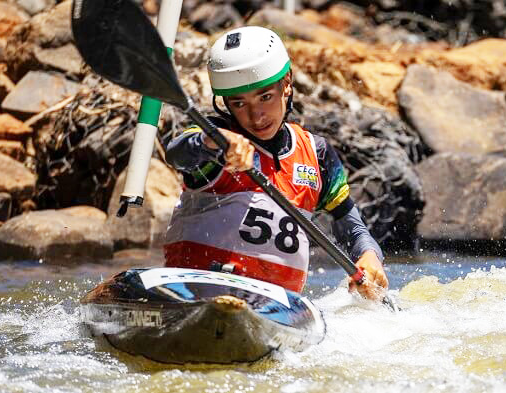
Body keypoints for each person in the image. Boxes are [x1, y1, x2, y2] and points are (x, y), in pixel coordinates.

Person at [163, 26, 388, 300]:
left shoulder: (317, 153)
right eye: (239, 103)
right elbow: (177, 154)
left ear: (287, 83)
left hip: (276, 309)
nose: (256, 116)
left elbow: (351, 226)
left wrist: (369, 255)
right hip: (195, 294)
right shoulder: (213, 137)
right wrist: (214, 143)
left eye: (265, 97)